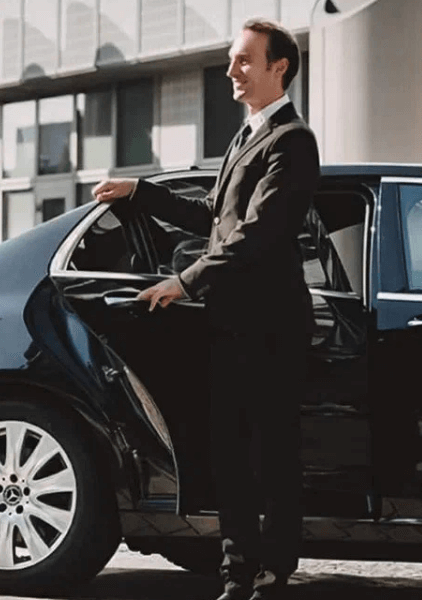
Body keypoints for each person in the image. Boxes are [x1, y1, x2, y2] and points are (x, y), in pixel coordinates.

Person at [92, 18, 319, 600]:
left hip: (271, 329)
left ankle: (272, 579)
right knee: (230, 459)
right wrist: (143, 193)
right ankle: (235, 576)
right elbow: (213, 218)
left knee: (271, 458)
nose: (231, 72)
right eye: (230, 60)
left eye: (244, 61)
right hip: (228, 327)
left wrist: (183, 282)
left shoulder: (293, 141)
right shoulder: (246, 136)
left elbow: (258, 235)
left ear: (279, 68)